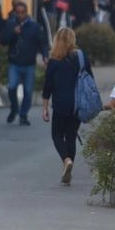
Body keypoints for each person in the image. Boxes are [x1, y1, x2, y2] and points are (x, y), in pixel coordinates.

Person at [41, 28, 90, 185]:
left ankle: (66, 160)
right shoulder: (81, 58)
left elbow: (48, 86)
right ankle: (69, 167)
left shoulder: (54, 61)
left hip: (61, 103)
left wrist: (45, 107)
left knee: (56, 134)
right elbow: (90, 78)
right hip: (77, 103)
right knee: (71, 136)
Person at [1, 0, 50, 126]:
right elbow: (3, 40)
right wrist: (13, 33)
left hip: (29, 64)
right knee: (12, 87)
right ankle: (14, 108)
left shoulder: (34, 26)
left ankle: (23, 115)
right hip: (14, 63)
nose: (20, 15)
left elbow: (42, 43)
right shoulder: (11, 24)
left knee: (28, 91)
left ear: (26, 13)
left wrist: (45, 56)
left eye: (22, 12)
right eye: (18, 12)